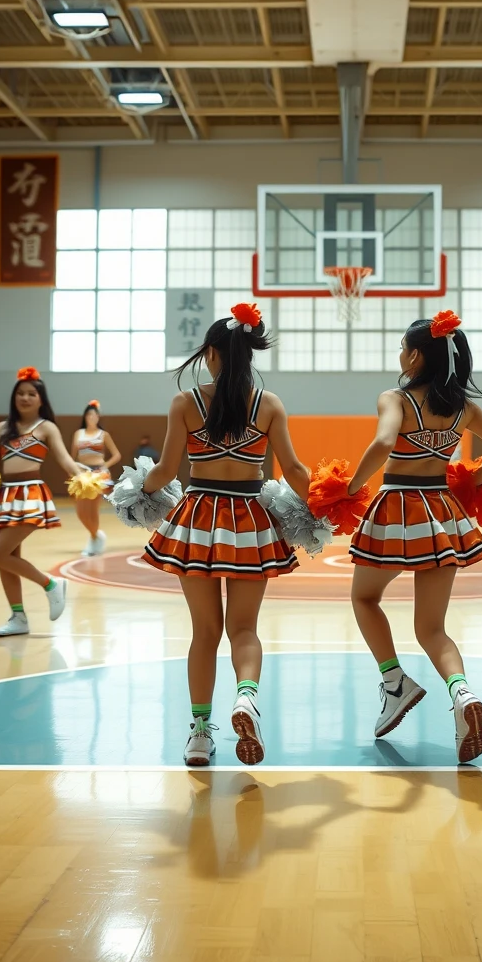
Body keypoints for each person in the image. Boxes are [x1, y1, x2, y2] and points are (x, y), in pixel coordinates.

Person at [142, 304, 308, 768]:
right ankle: (246, 699)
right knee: (244, 629)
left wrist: (138, 492)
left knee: (205, 633)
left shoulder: (186, 402)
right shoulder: (269, 404)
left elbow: (165, 470)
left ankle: (198, 734)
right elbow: (293, 470)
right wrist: (327, 503)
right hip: (251, 519)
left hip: (198, 519)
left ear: (211, 352)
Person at [347, 311, 482, 764]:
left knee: (364, 599)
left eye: (404, 347)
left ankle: (394, 682)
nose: (400, 354)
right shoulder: (465, 407)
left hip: (398, 508)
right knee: (433, 628)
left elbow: (384, 444)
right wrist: (477, 481)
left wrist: (352, 485)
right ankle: (462, 695)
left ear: (416, 355)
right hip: (442, 512)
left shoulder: (395, 399)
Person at [0, 367, 83, 637]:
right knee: (8, 557)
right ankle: (18, 617)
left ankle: (50, 584)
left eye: (31, 394)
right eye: (20, 394)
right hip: (6, 495)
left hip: (31, 494)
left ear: (40, 399)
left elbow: (65, 460)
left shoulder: (46, 427)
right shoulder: (2, 427)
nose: (25, 398)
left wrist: (85, 478)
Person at [70, 400, 122, 557]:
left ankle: (93, 541)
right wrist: (73, 471)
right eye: (89, 414)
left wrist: (105, 465)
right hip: (82, 474)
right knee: (81, 512)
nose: (91, 417)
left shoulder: (103, 434)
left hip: (98, 475)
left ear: (98, 417)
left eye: (94, 414)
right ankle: (96, 535)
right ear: (85, 417)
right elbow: (72, 457)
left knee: (92, 511)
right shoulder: (78, 434)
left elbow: (117, 455)